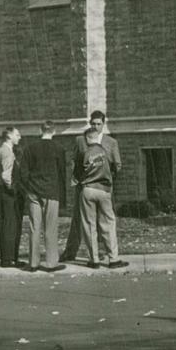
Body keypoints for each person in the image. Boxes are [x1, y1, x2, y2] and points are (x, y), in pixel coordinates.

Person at [62, 111, 119, 263]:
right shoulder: (80, 140)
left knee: (104, 221)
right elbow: (74, 162)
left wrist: (108, 179)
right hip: (84, 186)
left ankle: (107, 255)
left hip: (104, 187)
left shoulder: (111, 142)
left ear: (103, 124)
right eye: (93, 123)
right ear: (89, 123)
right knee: (80, 221)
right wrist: (77, 179)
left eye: (98, 124)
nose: (96, 126)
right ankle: (71, 251)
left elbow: (117, 165)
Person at [16, 121, 68, 272]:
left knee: (34, 227)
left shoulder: (30, 148)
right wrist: (62, 198)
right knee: (50, 228)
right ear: (54, 131)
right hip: (52, 192)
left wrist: (28, 190)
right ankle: (51, 263)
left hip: (33, 192)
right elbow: (61, 174)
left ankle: (33, 263)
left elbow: (23, 173)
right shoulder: (59, 149)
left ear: (41, 130)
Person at [73, 128, 126, 269]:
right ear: (97, 137)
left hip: (88, 189)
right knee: (108, 223)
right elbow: (115, 167)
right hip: (104, 190)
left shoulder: (83, 153)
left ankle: (94, 259)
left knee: (89, 224)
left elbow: (77, 173)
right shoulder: (105, 151)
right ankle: (113, 259)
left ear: (87, 139)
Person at [0, 127, 22, 268]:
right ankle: (8, 259)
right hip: (9, 193)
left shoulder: (2, 149)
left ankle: (7, 257)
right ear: (9, 136)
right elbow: (6, 175)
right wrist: (13, 190)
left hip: (3, 192)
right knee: (10, 224)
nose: (19, 137)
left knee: (6, 223)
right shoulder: (7, 152)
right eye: (17, 135)